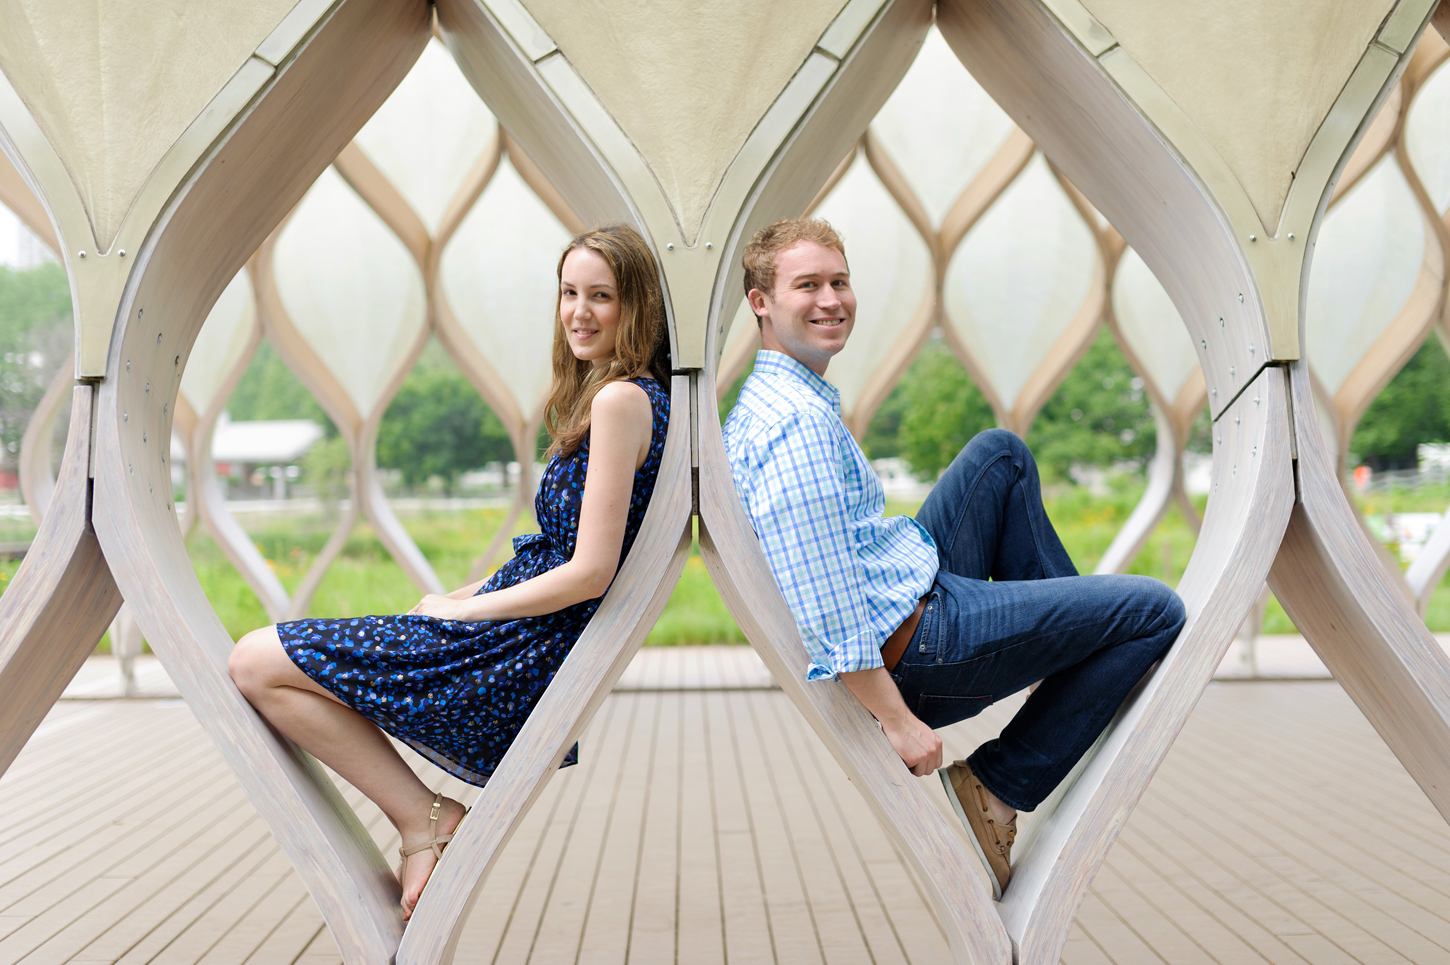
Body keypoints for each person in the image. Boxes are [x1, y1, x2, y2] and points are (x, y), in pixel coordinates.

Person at [721, 218, 1185, 899]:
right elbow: (826, 603)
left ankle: (1063, 666)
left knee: (1000, 455)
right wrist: (899, 720)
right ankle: (998, 782)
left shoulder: (782, 395)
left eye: (839, 282)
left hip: (907, 585)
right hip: (916, 651)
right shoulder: (795, 428)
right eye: (807, 286)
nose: (831, 300)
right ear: (761, 302)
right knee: (1153, 610)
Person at [229, 224, 672, 919]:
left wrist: (466, 613)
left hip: (519, 650)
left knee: (257, 659)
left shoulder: (622, 401)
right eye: (568, 292)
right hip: (515, 631)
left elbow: (590, 570)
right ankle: (423, 818)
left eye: (602, 296)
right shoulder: (626, 398)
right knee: (260, 662)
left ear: (638, 306)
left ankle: (424, 817)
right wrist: (451, 597)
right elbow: (549, 551)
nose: (579, 312)